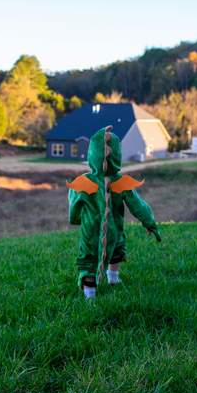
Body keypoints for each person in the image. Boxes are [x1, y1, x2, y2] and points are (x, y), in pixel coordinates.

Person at [66, 125, 161, 300]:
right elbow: (138, 206)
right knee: (116, 249)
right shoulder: (121, 182)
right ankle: (113, 277)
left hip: (89, 231)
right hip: (114, 229)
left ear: (92, 154)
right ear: (117, 155)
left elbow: (74, 207)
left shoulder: (82, 182)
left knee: (89, 258)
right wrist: (149, 223)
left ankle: (90, 295)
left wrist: (76, 219)